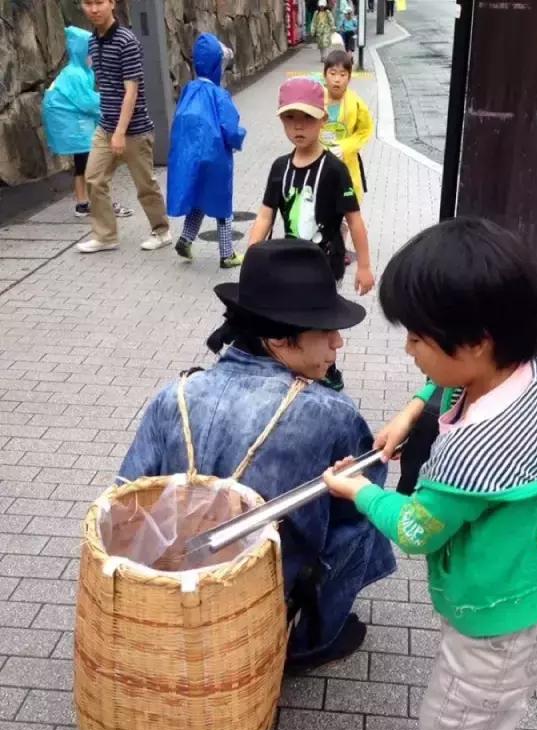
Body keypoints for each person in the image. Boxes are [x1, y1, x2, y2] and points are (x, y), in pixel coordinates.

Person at [323, 218, 537, 730]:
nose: (409, 349)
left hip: (491, 622)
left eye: (417, 338)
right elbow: (456, 372)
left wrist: (361, 492)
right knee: (491, 712)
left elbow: (416, 529)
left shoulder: (469, 456)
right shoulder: (534, 370)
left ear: (474, 343)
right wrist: (416, 407)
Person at [119, 238, 396, 667]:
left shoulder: (173, 394)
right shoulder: (330, 412)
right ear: (279, 340)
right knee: (364, 514)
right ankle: (308, 639)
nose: (338, 343)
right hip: (262, 595)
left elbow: (128, 498)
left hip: (173, 584)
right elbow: (356, 513)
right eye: (326, 330)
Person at [248, 77, 374, 295]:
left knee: (320, 327)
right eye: (290, 117)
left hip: (324, 268)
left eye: (308, 117)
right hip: (289, 263)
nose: (298, 125)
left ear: (323, 119)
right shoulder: (280, 168)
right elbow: (265, 216)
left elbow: (354, 220)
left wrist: (364, 267)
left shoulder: (335, 170)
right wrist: (251, 258)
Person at [77, 0, 171, 254]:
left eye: (99, 2)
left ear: (112, 3)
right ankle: (106, 236)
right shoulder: (93, 40)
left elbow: (132, 91)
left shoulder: (126, 41)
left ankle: (161, 231)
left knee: (145, 185)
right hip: (105, 125)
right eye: (88, 3)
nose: (94, 9)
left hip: (135, 130)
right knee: (94, 179)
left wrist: (119, 132)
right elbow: (103, 83)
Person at [168, 34, 245, 268]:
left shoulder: (189, 90)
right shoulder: (219, 95)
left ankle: (185, 238)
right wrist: (238, 137)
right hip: (216, 157)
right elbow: (229, 127)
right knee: (222, 202)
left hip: (191, 155)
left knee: (199, 199)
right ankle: (227, 254)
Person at [41, 25, 132, 221]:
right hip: (77, 126)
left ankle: (83, 204)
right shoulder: (76, 74)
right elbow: (87, 102)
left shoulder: (77, 71)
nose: (93, 57)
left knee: (82, 165)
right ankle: (100, 203)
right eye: (90, 52)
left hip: (75, 125)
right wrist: (112, 102)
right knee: (95, 165)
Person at [321, 49, 374, 204]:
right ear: (325, 75)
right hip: (319, 162)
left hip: (346, 164)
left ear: (349, 78)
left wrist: (345, 147)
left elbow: (364, 130)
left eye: (343, 74)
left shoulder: (356, 103)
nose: (337, 79)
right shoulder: (315, 99)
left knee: (346, 209)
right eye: (332, 73)